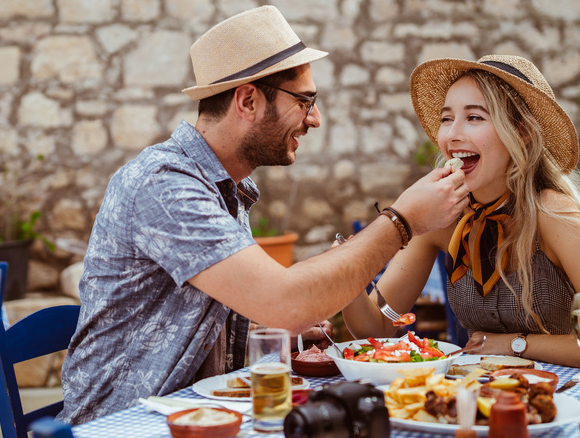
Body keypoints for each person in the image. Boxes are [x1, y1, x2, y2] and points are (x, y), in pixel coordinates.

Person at [57, 6, 468, 425]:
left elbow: (218, 314)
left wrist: (264, 336)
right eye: (306, 101)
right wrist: (402, 222)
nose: (316, 119)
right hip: (122, 425)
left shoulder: (223, 186)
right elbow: (287, 302)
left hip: (190, 414)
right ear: (248, 100)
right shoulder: (164, 184)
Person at [342, 54, 580, 372]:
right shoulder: (443, 216)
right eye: (446, 119)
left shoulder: (551, 212)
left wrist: (514, 345)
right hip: (478, 403)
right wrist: (347, 275)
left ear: (521, 133)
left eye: (475, 118)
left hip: (564, 399)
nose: (452, 135)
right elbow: (378, 329)